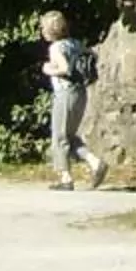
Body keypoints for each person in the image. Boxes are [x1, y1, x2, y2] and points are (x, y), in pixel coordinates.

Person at [39, 11, 106, 190]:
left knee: (59, 136)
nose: (41, 30)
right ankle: (94, 162)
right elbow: (92, 55)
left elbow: (64, 68)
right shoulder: (76, 43)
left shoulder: (56, 48)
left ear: (50, 29)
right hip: (81, 93)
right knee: (69, 136)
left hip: (65, 93)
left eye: (43, 27)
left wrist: (47, 70)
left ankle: (65, 178)